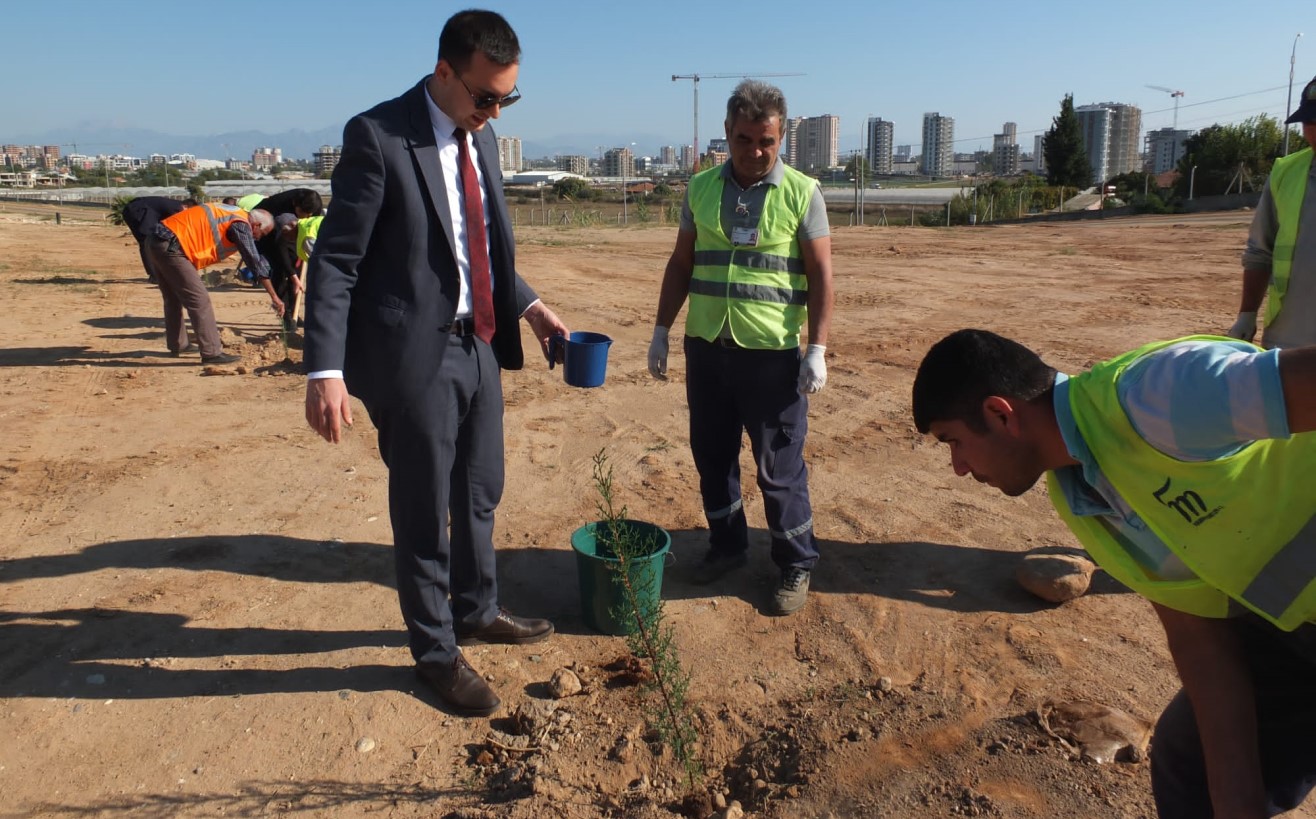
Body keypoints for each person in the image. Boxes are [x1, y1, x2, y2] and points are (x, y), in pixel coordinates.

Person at [911, 329, 1316, 818]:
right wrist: (1236, 803)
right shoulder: (1084, 499)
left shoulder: (1159, 396)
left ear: (1001, 414)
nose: (957, 467)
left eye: (953, 441)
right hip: (1290, 638)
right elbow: (1197, 638)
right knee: (1192, 769)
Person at [303, 9, 569, 718]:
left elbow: (478, 248)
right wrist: (323, 367)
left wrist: (533, 307)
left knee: (481, 488)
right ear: (444, 72)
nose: (493, 112)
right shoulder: (380, 137)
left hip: (478, 342)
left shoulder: (478, 141)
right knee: (423, 509)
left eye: (507, 100)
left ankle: (478, 607)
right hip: (413, 354)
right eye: (485, 96)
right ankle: (435, 653)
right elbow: (335, 259)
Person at [647, 79, 833, 615]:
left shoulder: (802, 193)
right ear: (726, 134)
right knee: (712, 456)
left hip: (770, 355)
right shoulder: (699, 189)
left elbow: (822, 275)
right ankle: (727, 547)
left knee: (778, 466)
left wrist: (816, 347)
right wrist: (661, 330)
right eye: (745, 139)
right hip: (707, 348)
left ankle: (795, 561)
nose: (755, 152)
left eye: (767, 141)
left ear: (782, 139)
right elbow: (682, 263)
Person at [1226, 75, 1316, 349]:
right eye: (1310, 123)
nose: (1314, 132)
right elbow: (1259, 252)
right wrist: (1247, 315)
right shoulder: (1287, 172)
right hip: (1288, 340)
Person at [146, 203, 283, 364]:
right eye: (262, 233)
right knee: (199, 300)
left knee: (173, 298)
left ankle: (178, 344)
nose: (259, 238)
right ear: (257, 225)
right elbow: (253, 260)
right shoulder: (240, 224)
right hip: (172, 247)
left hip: (157, 240)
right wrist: (274, 296)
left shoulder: (233, 213)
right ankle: (211, 352)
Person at [250, 188, 323, 332]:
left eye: (309, 215)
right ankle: (286, 316)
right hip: (266, 233)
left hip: (291, 234)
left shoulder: (314, 206)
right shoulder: (282, 212)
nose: (306, 218)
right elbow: (281, 246)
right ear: (295, 204)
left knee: (295, 270)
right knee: (281, 270)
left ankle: (294, 312)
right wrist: (292, 274)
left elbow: (312, 230)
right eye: (303, 214)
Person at [121, 196, 195, 283]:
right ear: (186, 207)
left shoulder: (171, 205)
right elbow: (178, 229)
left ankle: (154, 274)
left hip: (132, 211)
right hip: (139, 212)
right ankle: (155, 275)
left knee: (146, 243)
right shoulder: (177, 208)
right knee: (147, 243)